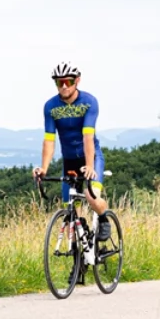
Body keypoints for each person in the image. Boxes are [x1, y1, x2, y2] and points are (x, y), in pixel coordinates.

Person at [31, 62, 112, 242]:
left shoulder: (89, 102)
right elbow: (49, 140)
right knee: (70, 212)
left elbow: (88, 137)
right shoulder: (50, 107)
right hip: (69, 161)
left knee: (91, 197)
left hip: (91, 157)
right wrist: (44, 168)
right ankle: (78, 265)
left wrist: (90, 166)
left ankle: (105, 219)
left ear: (77, 81)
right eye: (60, 83)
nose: (64, 86)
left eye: (68, 81)